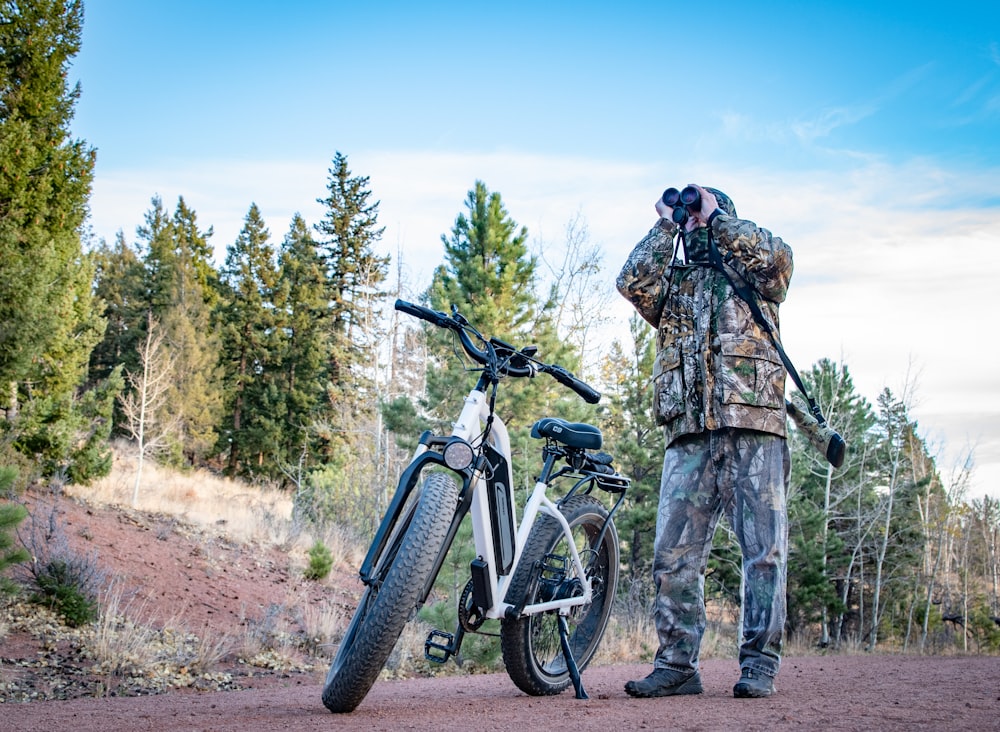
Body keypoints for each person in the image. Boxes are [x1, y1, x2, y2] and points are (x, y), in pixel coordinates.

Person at [616, 183, 793, 699]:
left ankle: (758, 663)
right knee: (672, 555)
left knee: (763, 552)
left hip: (753, 425)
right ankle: (676, 665)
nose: (693, 219)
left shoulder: (754, 273)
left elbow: (778, 260)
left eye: (696, 211)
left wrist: (716, 220)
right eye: (691, 214)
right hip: (689, 431)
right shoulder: (675, 285)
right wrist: (668, 223)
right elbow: (631, 281)